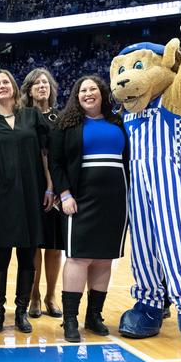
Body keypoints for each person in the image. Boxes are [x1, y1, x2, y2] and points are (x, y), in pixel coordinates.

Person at [49, 75, 129, 342]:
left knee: (105, 258)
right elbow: (56, 163)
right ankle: (70, 320)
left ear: (102, 93)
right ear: (76, 96)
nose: (88, 93)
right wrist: (65, 193)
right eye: (82, 90)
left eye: (93, 89)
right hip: (80, 198)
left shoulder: (118, 121)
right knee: (78, 258)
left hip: (115, 200)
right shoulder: (66, 124)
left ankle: (94, 316)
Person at [0, 69, 54, 334]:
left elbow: (46, 154)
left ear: (14, 87)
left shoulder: (31, 116)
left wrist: (50, 186)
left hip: (31, 194)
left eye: (6, 82)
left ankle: (21, 312)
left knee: (26, 256)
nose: (2, 86)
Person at [20, 68, 63, 319]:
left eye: (45, 82)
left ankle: (51, 295)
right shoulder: (23, 117)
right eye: (36, 83)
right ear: (28, 89)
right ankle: (34, 294)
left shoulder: (60, 117)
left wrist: (60, 187)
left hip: (57, 188)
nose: (41, 86)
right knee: (35, 244)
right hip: (31, 186)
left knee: (55, 247)